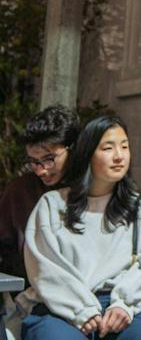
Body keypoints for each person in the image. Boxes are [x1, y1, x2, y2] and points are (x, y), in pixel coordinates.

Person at [17, 114, 141, 339]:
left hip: (120, 307)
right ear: (87, 154)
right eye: (107, 148)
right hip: (60, 306)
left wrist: (123, 305)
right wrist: (81, 310)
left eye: (124, 146)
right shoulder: (52, 205)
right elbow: (46, 267)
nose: (119, 156)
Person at [0, 105, 80, 281]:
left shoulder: (91, 189)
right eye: (34, 161)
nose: (41, 170)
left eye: (49, 159)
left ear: (72, 149)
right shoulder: (19, 190)